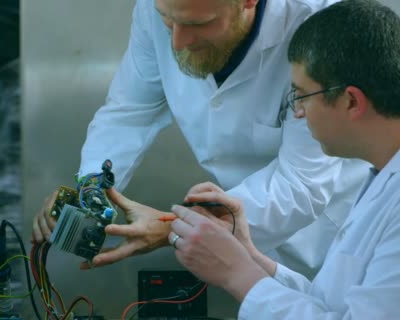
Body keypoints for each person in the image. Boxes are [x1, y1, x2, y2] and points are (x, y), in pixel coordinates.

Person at [165, 0, 400, 318]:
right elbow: (333, 305)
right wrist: (248, 255)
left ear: (351, 101)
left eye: (301, 94)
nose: (298, 111)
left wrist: (236, 274)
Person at [32, 0, 369, 276]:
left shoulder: (321, 25)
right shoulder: (156, 9)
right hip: (237, 245)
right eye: (168, 20)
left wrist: (175, 228)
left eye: (198, 24)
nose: (177, 42)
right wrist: (91, 187)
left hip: (331, 245)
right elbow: (131, 111)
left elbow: (302, 185)